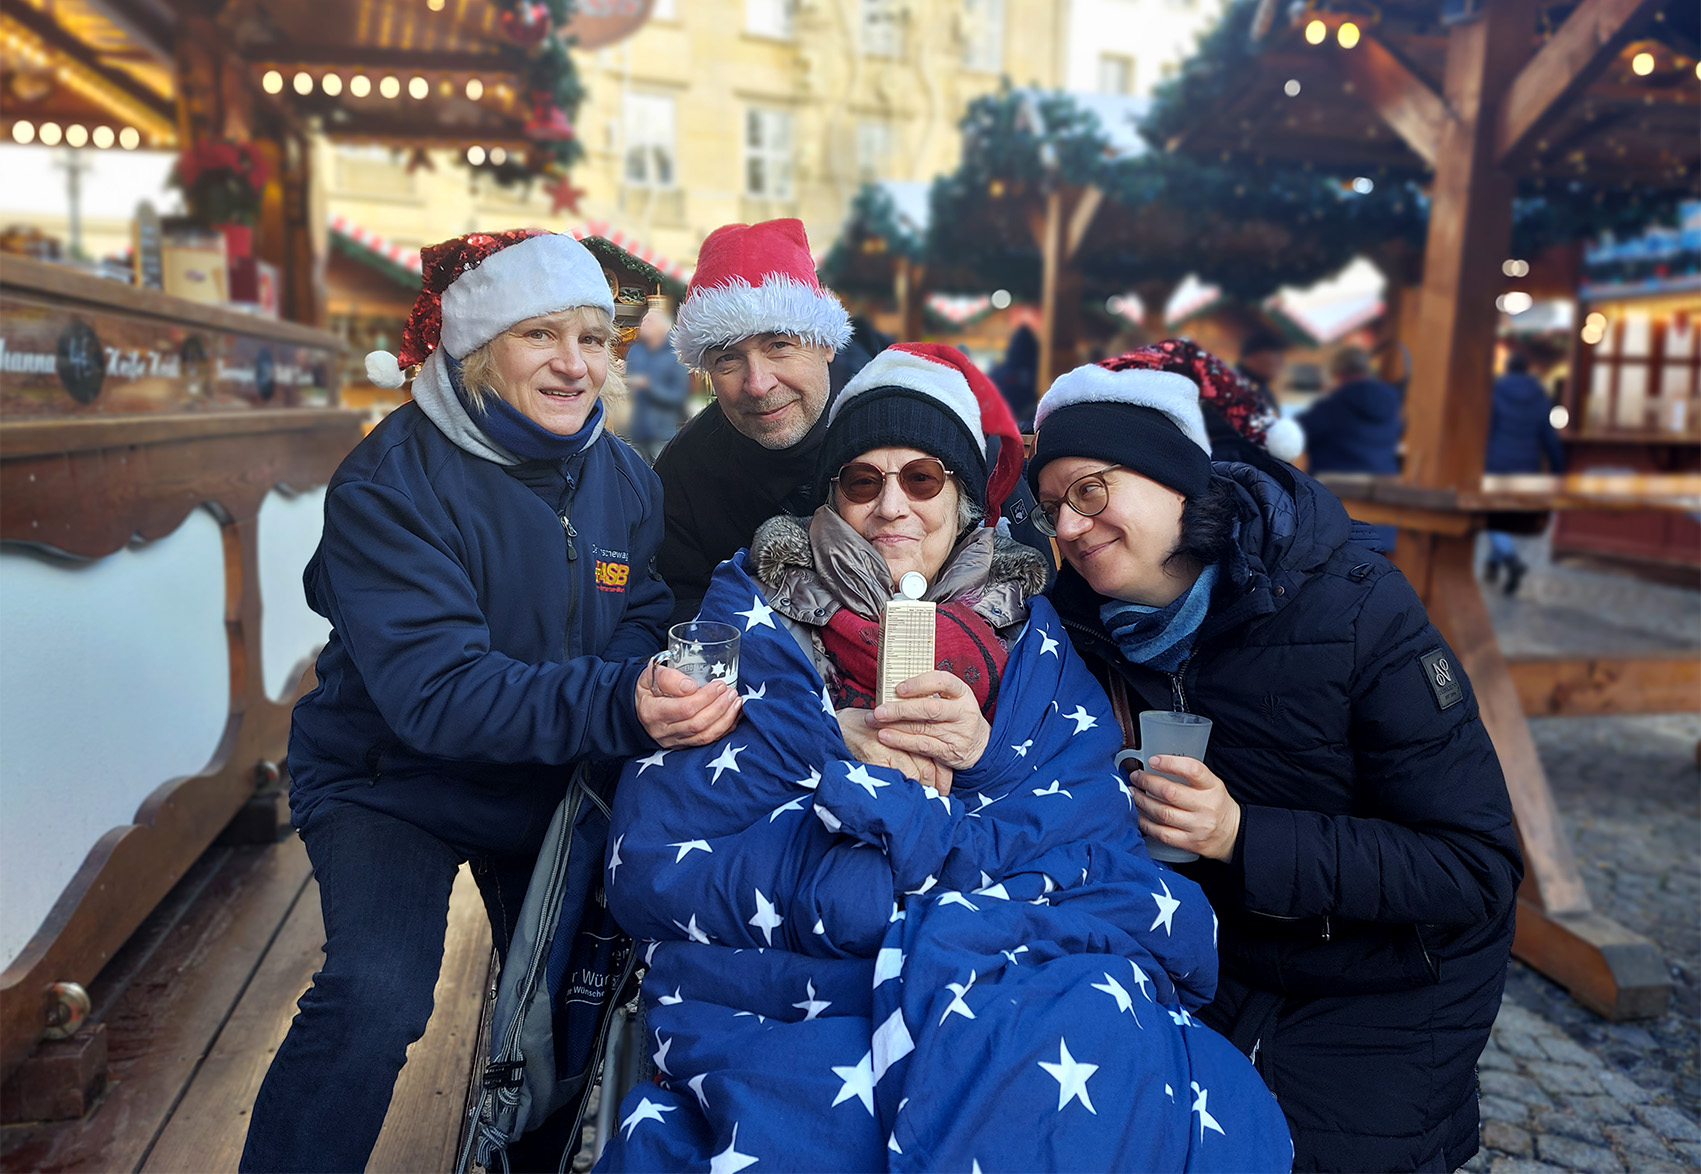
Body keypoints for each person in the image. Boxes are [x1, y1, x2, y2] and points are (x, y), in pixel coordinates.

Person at [594, 344, 1293, 1172]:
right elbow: (656, 857)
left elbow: (1090, 835)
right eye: (862, 480)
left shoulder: (1031, 641)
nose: (891, 505)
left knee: (1111, 1084)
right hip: (802, 994)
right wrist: (829, 758)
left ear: (963, 501)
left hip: (1011, 973)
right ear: (833, 498)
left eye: (922, 479)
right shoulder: (746, 626)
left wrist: (988, 764)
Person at [240, 230, 739, 1173]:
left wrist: (641, 678)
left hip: (550, 782)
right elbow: (438, 693)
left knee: (564, 1006)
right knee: (375, 994)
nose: (573, 362)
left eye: (593, 339)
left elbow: (637, 610)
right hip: (395, 784)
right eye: (538, 335)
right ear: (476, 350)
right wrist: (624, 702)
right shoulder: (389, 485)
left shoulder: (625, 478)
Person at [1030, 351, 1523, 1172]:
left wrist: (1241, 835)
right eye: (1052, 506)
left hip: (1379, 980)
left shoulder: (1352, 608)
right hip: (1196, 958)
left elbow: (1472, 868)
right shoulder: (1075, 630)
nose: (1070, 528)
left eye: (1090, 490)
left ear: (1177, 482)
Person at [654, 218, 887, 625]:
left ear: (826, 345)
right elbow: (679, 606)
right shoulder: (684, 469)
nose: (758, 385)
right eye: (728, 358)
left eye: (779, 345)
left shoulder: (896, 430)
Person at [1299, 344, 1404, 548]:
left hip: (1340, 517)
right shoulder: (1393, 404)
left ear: (1335, 373)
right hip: (1386, 518)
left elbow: (1293, 437)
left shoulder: (1332, 407)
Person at [1484, 350, 1566, 595]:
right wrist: (1557, 468)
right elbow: (1548, 437)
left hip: (1497, 464)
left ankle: (1510, 560)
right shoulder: (1540, 396)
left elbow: (1486, 429)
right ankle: (1493, 563)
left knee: (1493, 518)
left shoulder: (1495, 392)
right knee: (1504, 518)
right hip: (1528, 467)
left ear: (1508, 368)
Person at [623, 306, 692, 463]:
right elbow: (629, 388)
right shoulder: (635, 351)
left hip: (661, 435)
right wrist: (622, 372)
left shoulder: (676, 356)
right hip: (635, 432)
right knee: (637, 480)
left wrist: (649, 386)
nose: (643, 323)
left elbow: (678, 397)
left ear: (664, 328)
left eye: (650, 320)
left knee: (663, 479)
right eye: (644, 320)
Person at [1217, 330, 1289, 462]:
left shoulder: (1259, 387)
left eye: (1280, 354)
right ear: (1251, 357)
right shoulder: (1236, 388)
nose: (1279, 360)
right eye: (1274, 353)